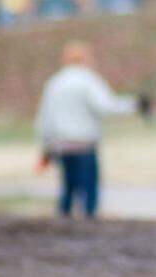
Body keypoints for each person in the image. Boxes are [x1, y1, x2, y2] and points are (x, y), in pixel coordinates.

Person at [36, 41, 150, 219]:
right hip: (84, 143)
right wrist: (135, 104)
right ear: (86, 58)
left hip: (62, 144)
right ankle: (90, 222)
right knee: (89, 187)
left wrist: (46, 147)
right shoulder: (88, 80)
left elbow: (45, 118)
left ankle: (63, 221)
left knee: (68, 186)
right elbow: (106, 106)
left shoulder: (54, 83)